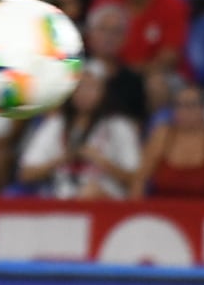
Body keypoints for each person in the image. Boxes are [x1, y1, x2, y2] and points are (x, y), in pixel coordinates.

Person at [17, 62, 141, 199]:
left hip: (105, 201)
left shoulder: (119, 126)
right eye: (79, 87)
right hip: (61, 198)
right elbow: (25, 174)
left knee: (89, 192)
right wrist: (61, 160)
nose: (84, 93)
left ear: (104, 91)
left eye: (91, 87)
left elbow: (135, 179)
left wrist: (99, 160)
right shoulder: (56, 124)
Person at [131, 83, 204, 201]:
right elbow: (139, 180)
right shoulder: (163, 135)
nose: (183, 111)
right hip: (162, 214)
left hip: (201, 213)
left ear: (203, 110)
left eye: (190, 105)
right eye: (178, 105)